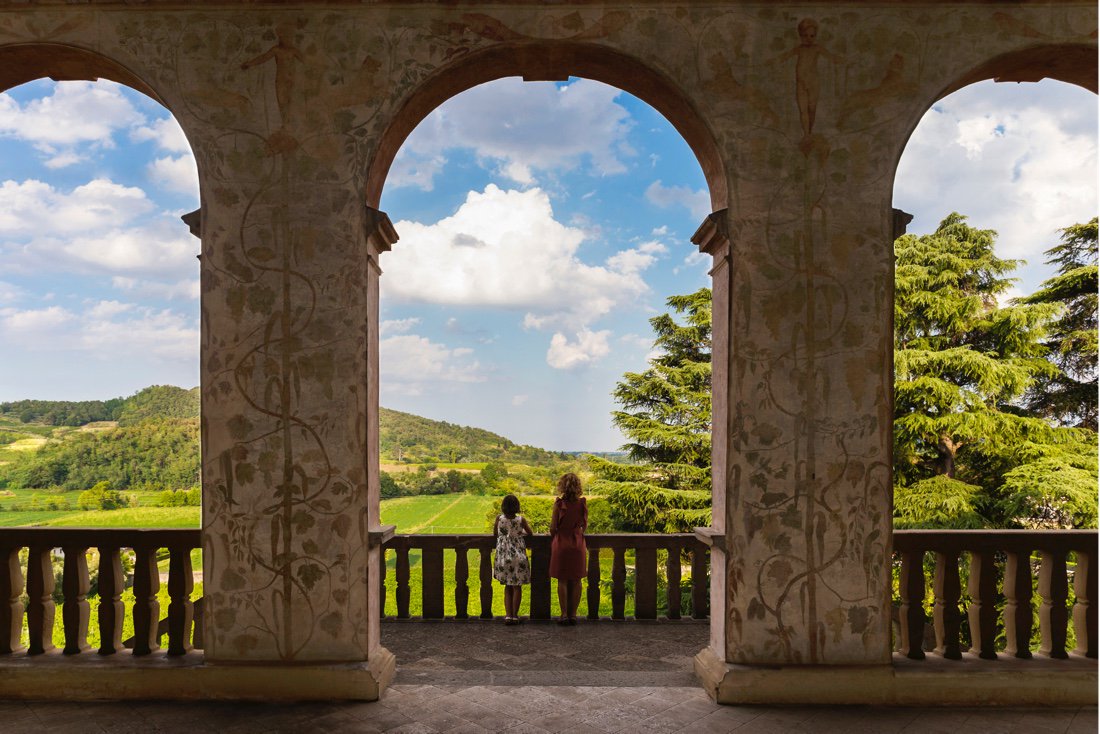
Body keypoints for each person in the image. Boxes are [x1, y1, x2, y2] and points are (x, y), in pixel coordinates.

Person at [549, 472, 587, 625]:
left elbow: (553, 528)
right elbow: (585, 525)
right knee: (577, 580)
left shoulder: (559, 504)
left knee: (562, 581)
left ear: (562, 486)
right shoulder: (582, 503)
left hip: (562, 543)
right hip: (577, 543)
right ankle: (573, 615)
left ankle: (564, 614)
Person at [492, 494, 533, 625]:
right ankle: (515, 615)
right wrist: (519, 534)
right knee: (517, 587)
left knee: (508, 587)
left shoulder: (499, 518)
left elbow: (495, 534)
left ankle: (508, 615)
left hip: (504, 557)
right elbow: (530, 533)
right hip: (518, 556)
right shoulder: (521, 520)